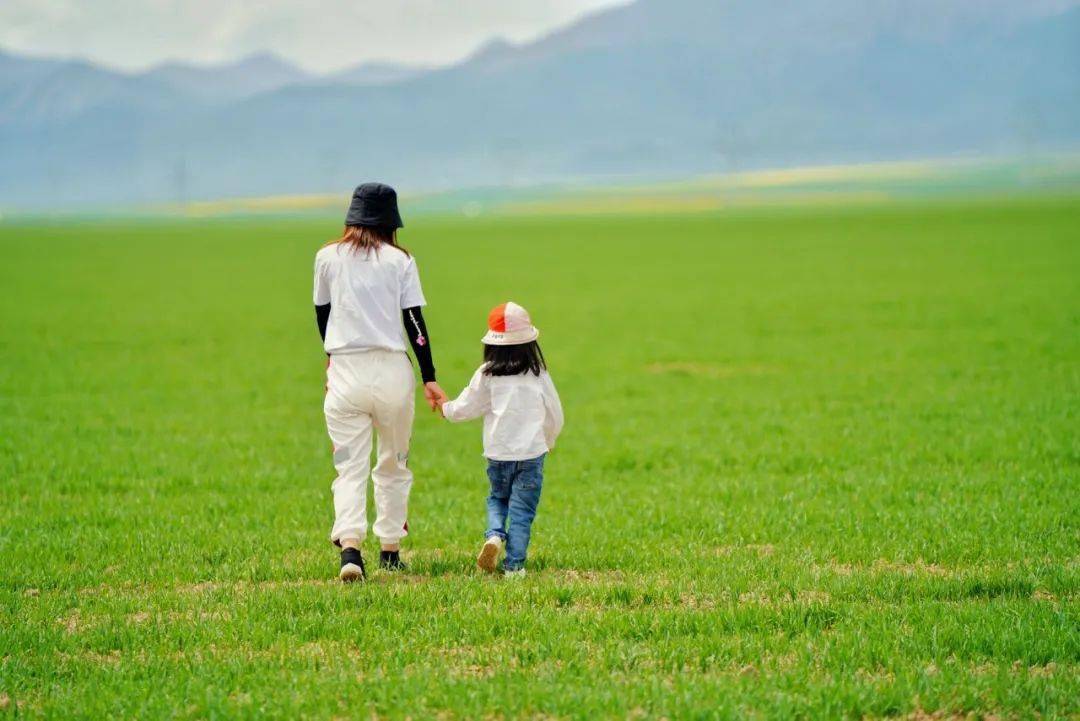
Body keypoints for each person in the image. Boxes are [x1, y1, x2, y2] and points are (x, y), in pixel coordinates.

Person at [314, 182, 448, 582]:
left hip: (345, 370)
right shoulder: (400, 261)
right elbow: (414, 322)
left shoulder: (326, 257)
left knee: (348, 467)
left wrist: (331, 357)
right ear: (391, 221)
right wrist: (429, 377)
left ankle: (351, 550)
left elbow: (323, 314)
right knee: (394, 461)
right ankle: (390, 550)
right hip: (392, 372)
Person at [440, 302, 563, 578]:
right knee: (521, 512)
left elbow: (466, 406)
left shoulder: (487, 373)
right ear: (529, 343)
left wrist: (446, 408)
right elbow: (555, 413)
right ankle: (514, 567)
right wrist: (549, 439)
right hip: (531, 455)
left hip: (498, 454)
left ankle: (495, 535)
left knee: (498, 498)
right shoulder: (538, 373)